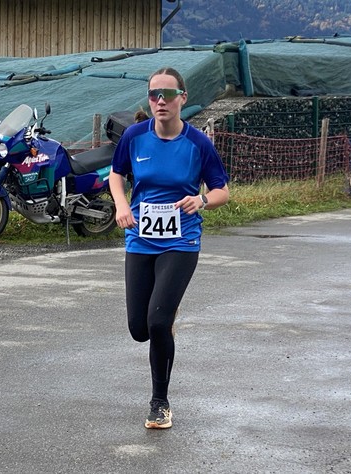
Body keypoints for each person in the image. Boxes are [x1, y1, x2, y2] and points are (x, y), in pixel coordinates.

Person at [109, 67, 230, 429]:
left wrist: (203, 201)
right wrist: (122, 205)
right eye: (154, 94)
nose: (160, 100)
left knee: (159, 322)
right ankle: (162, 325)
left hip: (181, 240)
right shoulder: (134, 137)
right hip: (141, 239)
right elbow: (116, 175)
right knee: (138, 328)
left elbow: (222, 191)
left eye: (168, 93)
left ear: (182, 99)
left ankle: (159, 402)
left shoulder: (198, 144)